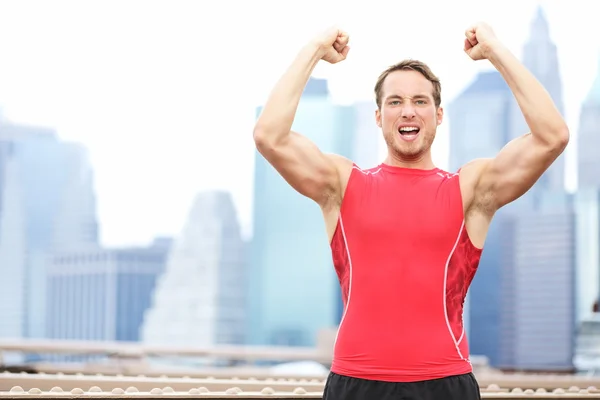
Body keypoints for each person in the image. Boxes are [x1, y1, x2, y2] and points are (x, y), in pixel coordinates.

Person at [252, 23, 569, 400]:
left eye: (420, 101)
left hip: (444, 383)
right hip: (355, 382)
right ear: (378, 116)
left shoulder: (470, 189)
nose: (408, 111)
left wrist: (496, 51)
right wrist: (314, 50)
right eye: (395, 101)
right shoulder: (341, 184)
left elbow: (553, 136)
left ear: (438, 115)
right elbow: (269, 136)